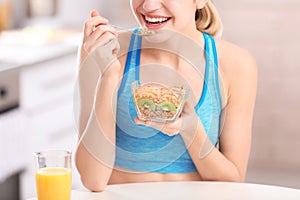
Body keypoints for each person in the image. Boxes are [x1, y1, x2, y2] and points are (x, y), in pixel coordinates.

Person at [75, 0, 257, 192]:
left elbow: (233, 181)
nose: (149, 6)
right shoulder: (104, 51)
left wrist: (191, 130)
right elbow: (92, 179)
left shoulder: (237, 64)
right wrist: (108, 76)